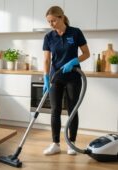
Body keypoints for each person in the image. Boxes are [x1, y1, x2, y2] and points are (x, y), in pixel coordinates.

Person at [42, 6, 90, 155]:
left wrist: (74, 60)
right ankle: (55, 143)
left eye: (53, 21)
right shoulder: (49, 37)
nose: (51, 24)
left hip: (73, 77)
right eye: (49, 22)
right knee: (55, 110)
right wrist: (45, 77)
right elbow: (46, 59)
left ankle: (71, 143)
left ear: (61, 17)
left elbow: (86, 53)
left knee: (72, 110)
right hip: (56, 77)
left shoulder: (75, 32)